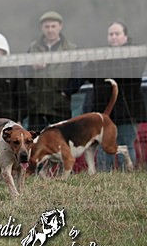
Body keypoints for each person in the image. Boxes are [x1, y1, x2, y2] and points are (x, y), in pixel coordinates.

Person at [87, 20, 146, 171]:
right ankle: (103, 178)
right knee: (103, 146)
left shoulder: (135, 55)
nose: (113, 37)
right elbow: (88, 76)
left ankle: (127, 176)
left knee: (125, 144)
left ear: (125, 36)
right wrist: (92, 63)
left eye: (117, 34)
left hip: (128, 112)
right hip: (104, 112)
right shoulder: (102, 56)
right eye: (110, 34)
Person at [24, 11, 77, 131]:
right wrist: (32, 67)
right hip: (36, 107)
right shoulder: (33, 48)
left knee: (60, 144)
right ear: (42, 28)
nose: (50, 30)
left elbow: (78, 75)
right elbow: (22, 73)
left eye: (53, 26)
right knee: (35, 145)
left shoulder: (72, 49)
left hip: (60, 107)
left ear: (60, 26)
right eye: (47, 27)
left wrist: (66, 92)